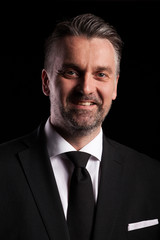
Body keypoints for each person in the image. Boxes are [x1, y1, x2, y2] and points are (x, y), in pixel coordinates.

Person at [0, 13, 160, 240]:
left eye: (101, 74)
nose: (86, 88)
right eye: (71, 72)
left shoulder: (153, 176)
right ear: (46, 82)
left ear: (115, 86)